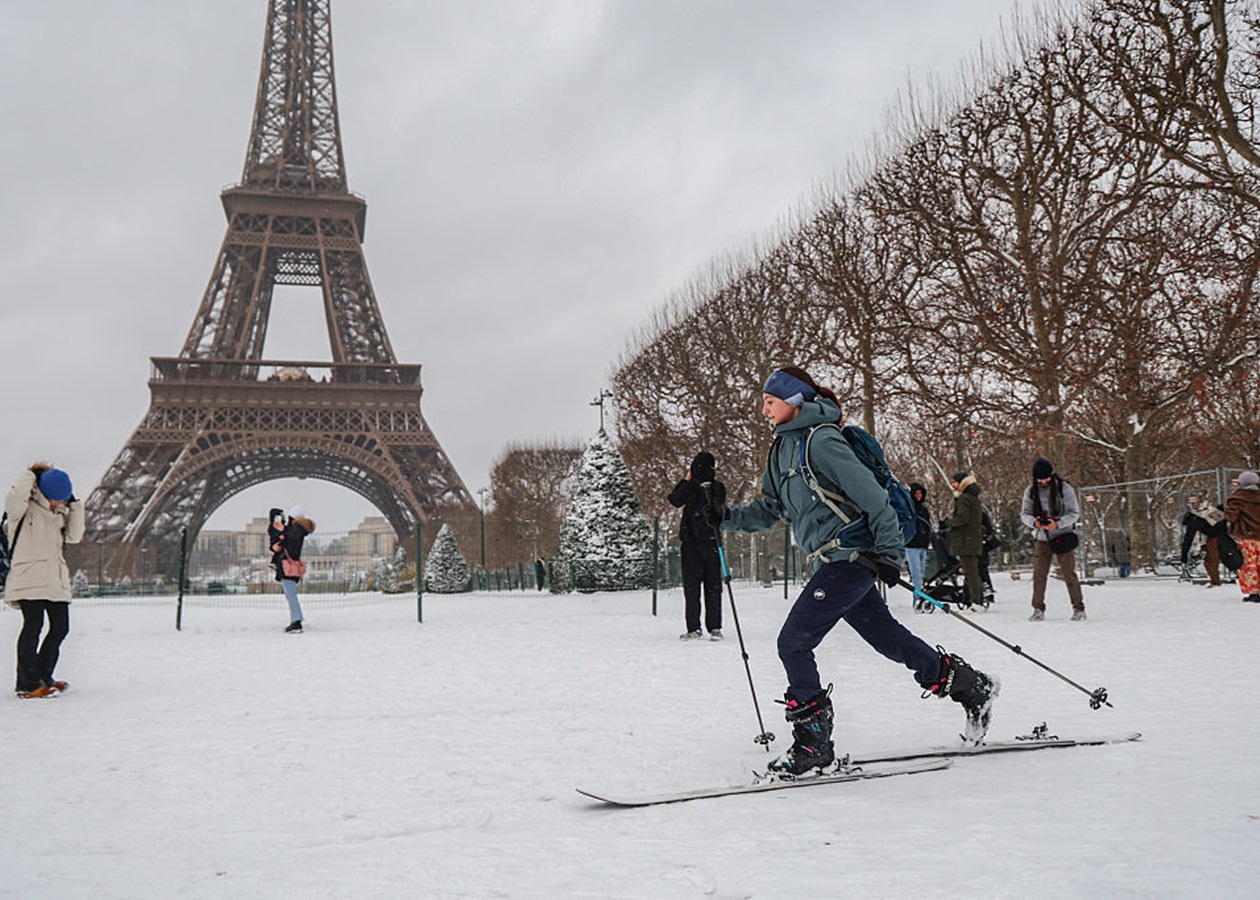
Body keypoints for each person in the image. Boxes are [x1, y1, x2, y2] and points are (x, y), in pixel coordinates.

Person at [711, 366, 998, 775]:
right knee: (889, 640)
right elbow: (769, 510)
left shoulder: (822, 441)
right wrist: (722, 516)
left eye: (769, 401)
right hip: (831, 561)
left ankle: (813, 744)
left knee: (794, 642)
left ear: (794, 400)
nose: (763, 410)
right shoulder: (780, 451)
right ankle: (971, 686)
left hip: (853, 557)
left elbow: (873, 497)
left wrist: (887, 552)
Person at [4, 464, 86, 698]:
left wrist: (74, 505)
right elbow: (13, 498)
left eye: (61, 500)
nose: (57, 504)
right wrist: (31, 474)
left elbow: (75, 536)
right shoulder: (23, 509)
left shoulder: (60, 513)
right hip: (29, 576)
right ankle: (27, 683)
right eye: (54, 499)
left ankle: (43, 676)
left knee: (61, 628)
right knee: (33, 627)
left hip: (54, 579)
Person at [1020, 457, 1086, 621]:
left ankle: (1078, 607)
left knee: (1069, 574)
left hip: (1062, 537)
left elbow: (1074, 514)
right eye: (1039, 479)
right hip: (1042, 538)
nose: (1043, 482)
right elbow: (1024, 514)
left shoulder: (1065, 489)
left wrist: (1057, 524)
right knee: (1039, 575)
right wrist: (1034, 522)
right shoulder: (1031, 491)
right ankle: (1038, 608)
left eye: (1046, 478)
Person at [668, 451, 725, 641]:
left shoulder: (690, 488)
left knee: (692, 588)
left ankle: (694, 627)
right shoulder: (718, 488)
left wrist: (686, 480)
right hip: (713, 542)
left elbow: (674, 499)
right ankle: (715, 627)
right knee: (713, 587)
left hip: (691, 544)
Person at [271, 505, 315, 633]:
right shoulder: (298, 530)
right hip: (290, 565)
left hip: (288, 566)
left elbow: (290, 544)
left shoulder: (295, 530)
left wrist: (282, 531)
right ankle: (296, 619)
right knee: (290, 595)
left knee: (291, 595)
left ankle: (296, 622)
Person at [947, 472, 984, 608]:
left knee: (971, 573)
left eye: (955, 482)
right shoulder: (974, 498)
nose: (953, 485)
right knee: (972, 572)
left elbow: (963, 518)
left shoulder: (964, 499)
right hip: (973, 540)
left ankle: (976, 602)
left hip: (965, 541)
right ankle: (971, 600)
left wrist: (948, 523)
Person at [1224, 471, 1260, 603]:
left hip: (1247, 535)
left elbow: (1231, 517)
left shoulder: (1238, 498)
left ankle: (1254, 593)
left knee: (1249, 564)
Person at [1179, 501, 1228, 586]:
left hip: (1215, 536)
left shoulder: (1192, 522)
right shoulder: (1197, 516)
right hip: (1216, 534)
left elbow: (1188, 539)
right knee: (1211, 560)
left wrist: (1184, 556)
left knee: (1211, 561)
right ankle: (1215, 581)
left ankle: (1215, 582)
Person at [906, 482, 933, 611]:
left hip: (922, 544)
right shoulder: (909, 508)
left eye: (920, 493)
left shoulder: (923, 510)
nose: (918, 496)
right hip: (912, 544)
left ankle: (920, 595)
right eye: (916, 493)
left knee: (921, 573)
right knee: (916, 573)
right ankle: (918, 598)